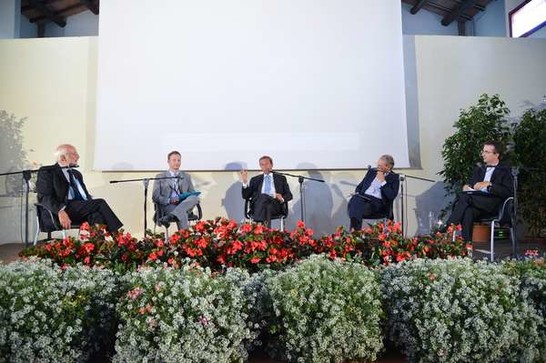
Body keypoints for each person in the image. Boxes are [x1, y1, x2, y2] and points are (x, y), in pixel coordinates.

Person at [36, 144, 123, 233]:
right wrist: (60, 210)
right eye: (73, 154)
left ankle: (99, 245)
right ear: (62, 158)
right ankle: (118, 238)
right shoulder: (48, 172)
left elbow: (84, 194)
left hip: (79, 208)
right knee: (100, 203)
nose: (78, 156)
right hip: (63, 209)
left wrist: (90, 199)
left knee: (96, 215)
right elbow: (44, 197)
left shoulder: (76, 173)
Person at [443, 141, 513, 241]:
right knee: (468, 211)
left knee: (466, 197)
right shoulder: (479, 169)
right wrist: (466, 187)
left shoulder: (505, 170)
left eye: (487, 152)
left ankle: (448, 227)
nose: (483, 154)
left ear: (496, 155)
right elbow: (471, 185)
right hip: (477, 203)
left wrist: (490, 184)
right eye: (483, 151)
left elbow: (508, 192)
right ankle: (466, 246)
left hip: (493, 205)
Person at [347, 154, 399, 231]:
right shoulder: (372, 172)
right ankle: (356, 233)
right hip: (363, 199)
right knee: (356, 199)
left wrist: (383, 181)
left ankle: (354, 233)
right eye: (377, 165)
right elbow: (359, 187)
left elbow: (391, 196)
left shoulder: (394, 177)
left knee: (354, 206)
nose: (377, 167)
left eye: (380, 166)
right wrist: (357, 193)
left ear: (388, 167)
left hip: (377, 204)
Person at [240, 155, 293, 227]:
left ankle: (258, 229)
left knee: (264, 198)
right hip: (259, 205)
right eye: (262, 165)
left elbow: (289, 195)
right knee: (265, 201)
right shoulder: (255, 180)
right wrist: (245, 182)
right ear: (260, 166)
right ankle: (267, 232)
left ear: (271, 165)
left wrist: (282, 198)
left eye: (266, 164)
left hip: (275, 205)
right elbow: (246, 196)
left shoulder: (281, 178)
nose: (264, 166)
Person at [153, 151, 200, 230]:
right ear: (168, 161)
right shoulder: (160, 176)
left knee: (195, 198)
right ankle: (184, 239)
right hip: (169, 205)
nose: (177, 162)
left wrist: (183, 197)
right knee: (182, 212)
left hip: (184, 203)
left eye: (179, 160)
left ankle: (173, 214)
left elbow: (192, 193)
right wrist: (169, 200)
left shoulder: (186, 176)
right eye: (174, 160)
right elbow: (155, 197)